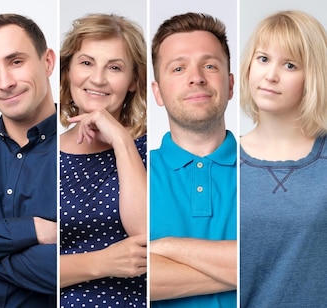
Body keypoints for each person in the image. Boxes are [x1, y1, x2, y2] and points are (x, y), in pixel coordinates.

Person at [58, 13, 147, 307]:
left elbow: (147, 234)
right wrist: (103, 262)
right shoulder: (43, 153)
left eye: (115, 67)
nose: (97, 79)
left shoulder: (150, 151)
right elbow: (22, 264)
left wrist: (122, 140)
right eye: (86, 63)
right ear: (68, 70)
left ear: (133, 80)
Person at [239, 10, 327, 307]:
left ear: (313, 76)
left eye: (289, 65)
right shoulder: (220, 158)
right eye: (263, 59)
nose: (271, 75)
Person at [149, 12, 237, 307]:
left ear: (231, 84)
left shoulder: (270, 168)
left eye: (209, 65)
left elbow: (293, 259)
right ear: (158, 93)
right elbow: (130, 277)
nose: (196, 77)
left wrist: (165, 249)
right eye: (178, 68)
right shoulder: (130, 172)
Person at [0, 13, 57, 307]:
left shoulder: (83, 148)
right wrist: (34, 230)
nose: (4, 82)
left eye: (16, 62)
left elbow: (74, 266)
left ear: (47, 62)